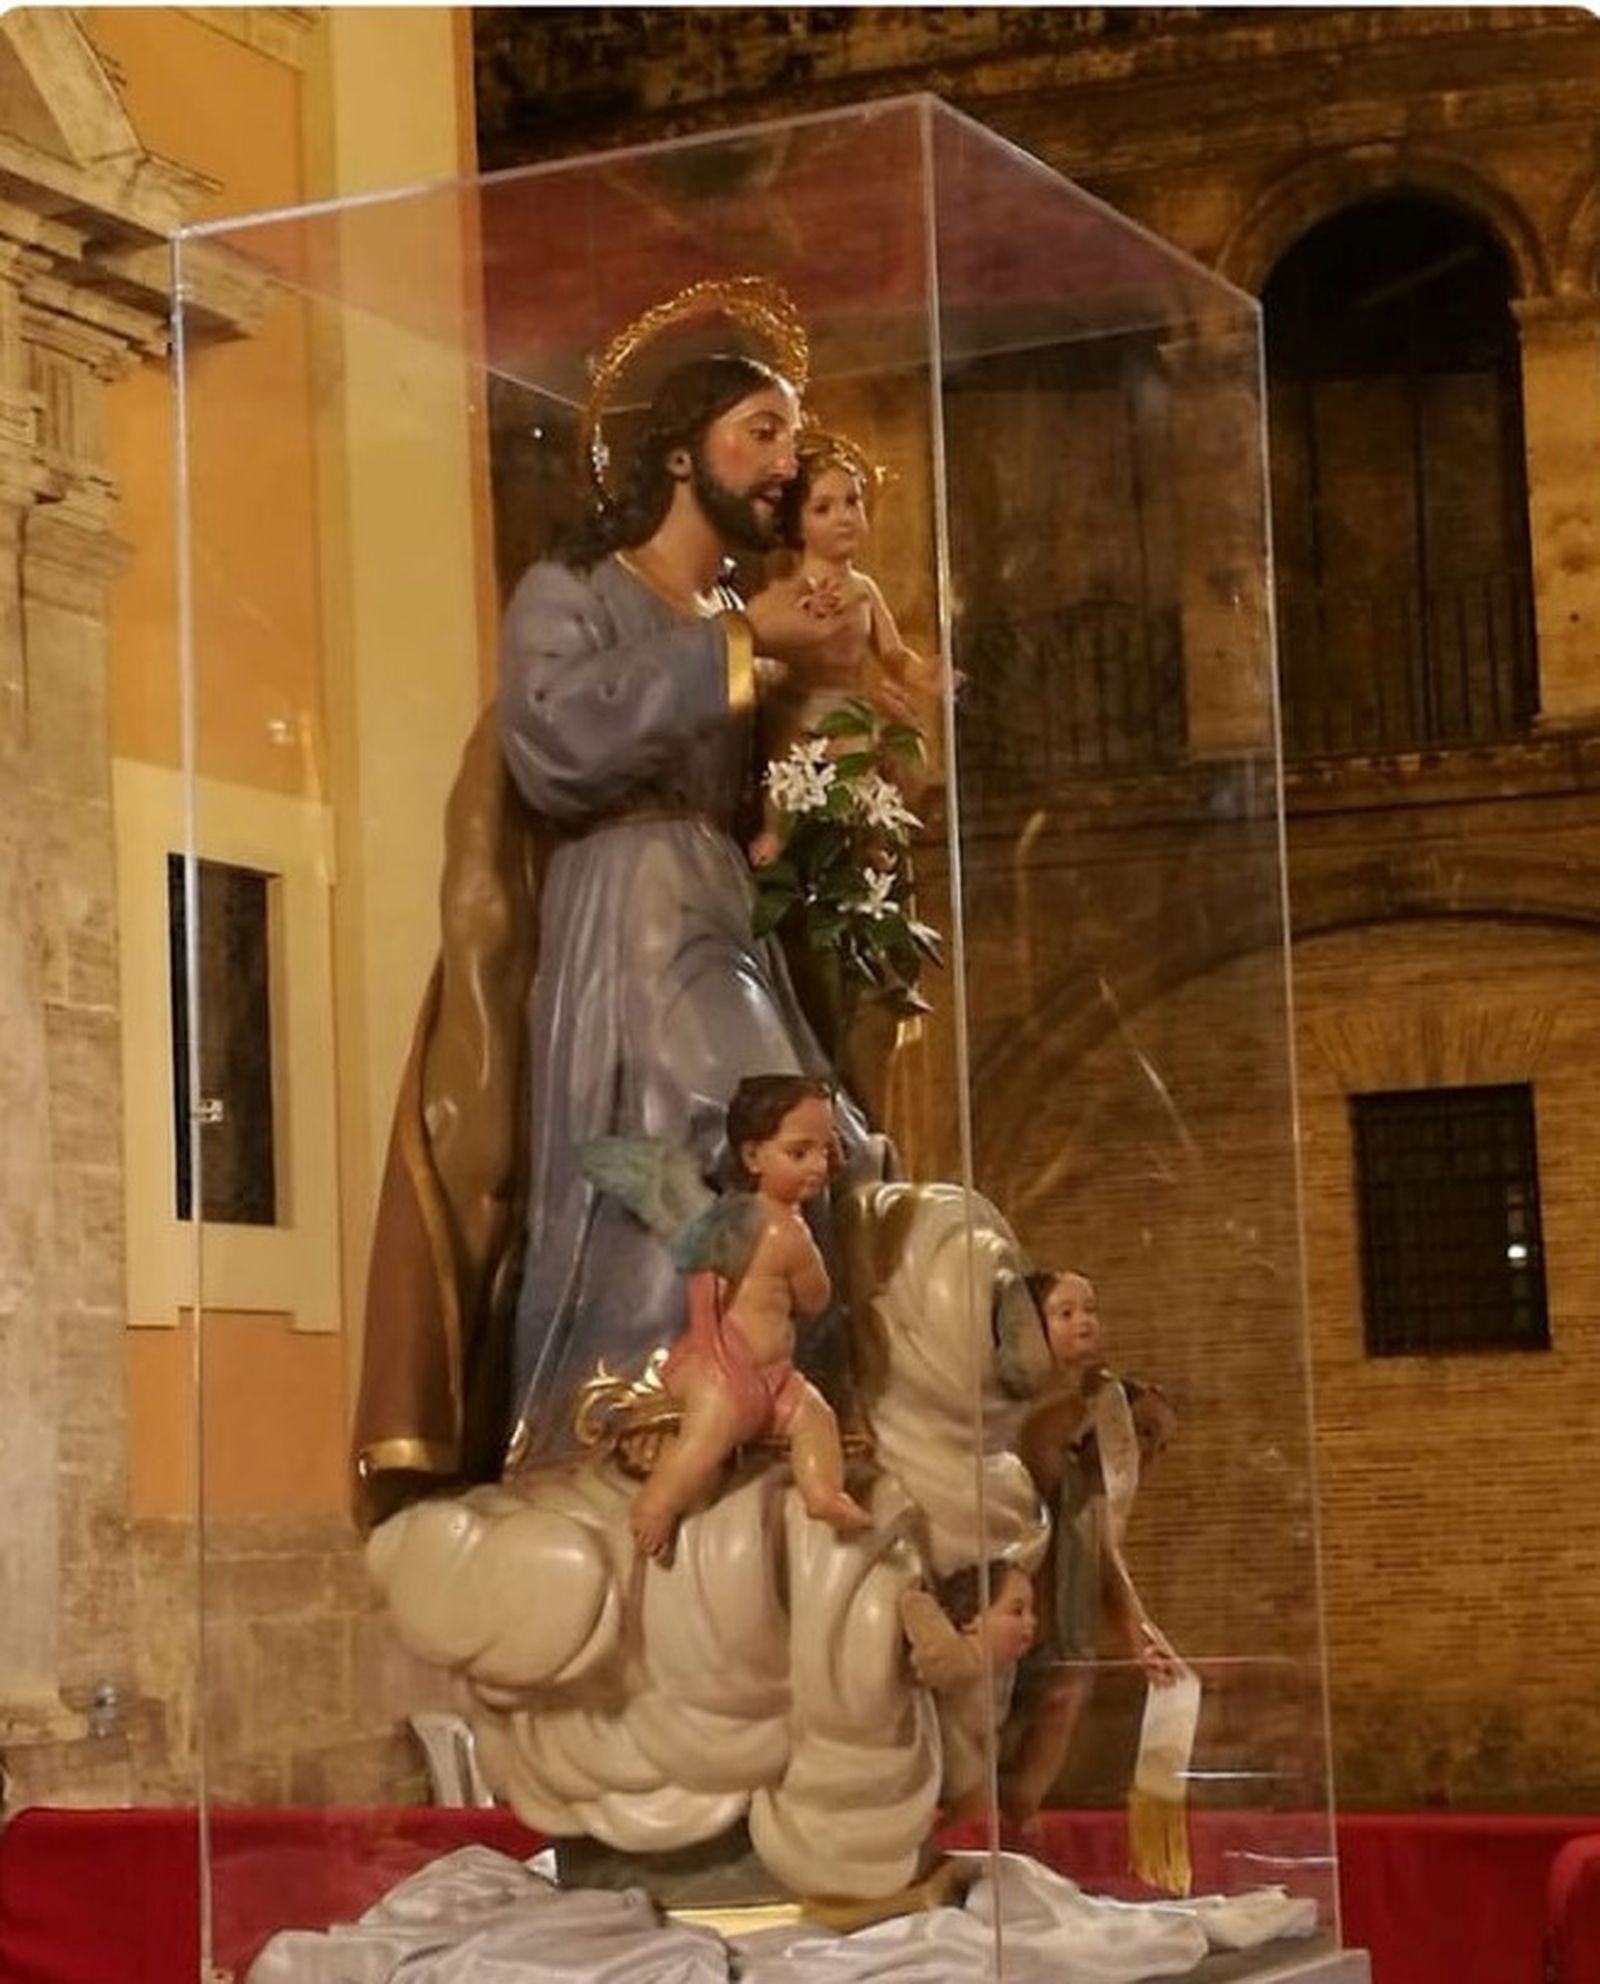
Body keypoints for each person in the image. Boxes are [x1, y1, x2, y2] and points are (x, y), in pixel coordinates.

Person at [496, 350, 876, 1474]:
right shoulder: (574, 590)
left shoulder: (736, 609)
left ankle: (770, 1406)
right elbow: (554, 737)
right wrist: (742, 645)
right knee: (702, 1120)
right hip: (632, 899)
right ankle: (638, 1405)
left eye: (791, 439)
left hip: (724, 903)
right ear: (677, 452)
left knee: (821, 1147)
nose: (785, 462)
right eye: (759, 432)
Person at [627, 1075, 873, 1558]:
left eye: (826, 1151)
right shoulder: (785, 1233)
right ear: (753, 1157)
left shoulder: (738, 1217)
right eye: (799, 1153)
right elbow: (815, 1300)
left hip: (774, 1377)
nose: (819, 1166)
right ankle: (657, 1502)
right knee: (711, 1428)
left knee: (814, 1415)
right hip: (723, 1369)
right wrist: (720, 1356)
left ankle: (823, 1493)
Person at [748, 435, 925, 867]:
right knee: (787, 759)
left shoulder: (864, 589)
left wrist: (922, 672)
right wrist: (802, 618)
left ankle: (870, 838)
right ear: (797, 524)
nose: (844, 517)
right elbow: (750, 631)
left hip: (846, 703)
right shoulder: (789, 589)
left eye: (853, 502)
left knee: (865, 752)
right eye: (824, 508)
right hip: (797, 703)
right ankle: (775, 831)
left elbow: (893, 651)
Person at [900, 1559, 1040, 1822]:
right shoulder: (960, 1661)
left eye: (1031, 1611)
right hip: (949, 1762)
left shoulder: (1005, 1669)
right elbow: (914, 1605)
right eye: (1017, 1611)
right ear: (971, 1621)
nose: (1031, 1622)